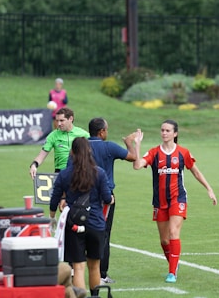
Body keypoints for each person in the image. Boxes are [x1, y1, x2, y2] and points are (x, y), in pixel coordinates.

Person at [133, 120, 217, 283]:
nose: (164, 133)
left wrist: (209, 189)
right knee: (164, 240)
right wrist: (137, 145)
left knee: (173, 233)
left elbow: (196, 172)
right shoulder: (154, 152)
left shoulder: (183, 153)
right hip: (159, 201)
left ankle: (172, 272)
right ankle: (174, 264)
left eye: (168, 131)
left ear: (175, 134)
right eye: (162, 130)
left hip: (178, 199)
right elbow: (137, 166)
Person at [49, 137, 113, 297]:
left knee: (78, 267)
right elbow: (107, 198)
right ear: (89, 151)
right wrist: (110, 199)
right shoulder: (99, 173)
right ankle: (95, 296)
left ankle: (80, 296)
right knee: (95, 266)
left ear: (72, 152)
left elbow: (55, 198)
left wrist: (52, 217)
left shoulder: (65, 174)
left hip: (74, 224)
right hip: (96, 223)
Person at [87, 117, 138, 284]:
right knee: (103, 234)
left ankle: (77, 269)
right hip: (104, 197)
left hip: (82, 195)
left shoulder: (81, 146)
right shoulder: (108, 147)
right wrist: (129, 142)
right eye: (106, 130)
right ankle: (101, 274)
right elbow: (133, 157)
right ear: (101, 132)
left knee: (80, 232)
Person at [29, 107, 89, 179]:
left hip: (79, 173)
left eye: (62, 120)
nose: (59, 124)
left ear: (71, 119)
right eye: (57, 121)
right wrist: (34, 165)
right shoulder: (53, 136)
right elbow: (41, 155)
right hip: (60, 174)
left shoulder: (84, 134)